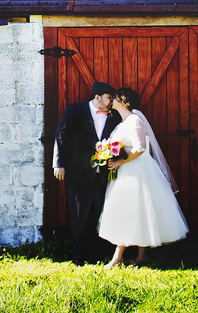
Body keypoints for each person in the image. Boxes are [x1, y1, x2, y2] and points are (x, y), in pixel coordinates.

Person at [98, 87, 189, 268]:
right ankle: (141, 256)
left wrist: (119, 162)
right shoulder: (122, 123)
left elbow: (140, 149)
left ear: (123, 102)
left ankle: (118, 257)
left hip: (138, 172)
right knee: (138, 212)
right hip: (126, 172)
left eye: (115, 98)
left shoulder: (135, 120)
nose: (111, 101)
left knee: (133, 210)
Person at [53, 81, 121, 265]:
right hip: (78, 173)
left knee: (97, 215)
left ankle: (95, 255)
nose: (111, 101)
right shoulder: (74, 110)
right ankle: (78, 256)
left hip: (103, 175)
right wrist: (58, 163)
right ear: (97, 97)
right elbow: (61, 136)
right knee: (79, 216)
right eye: (109, 98)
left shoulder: (114, 116)